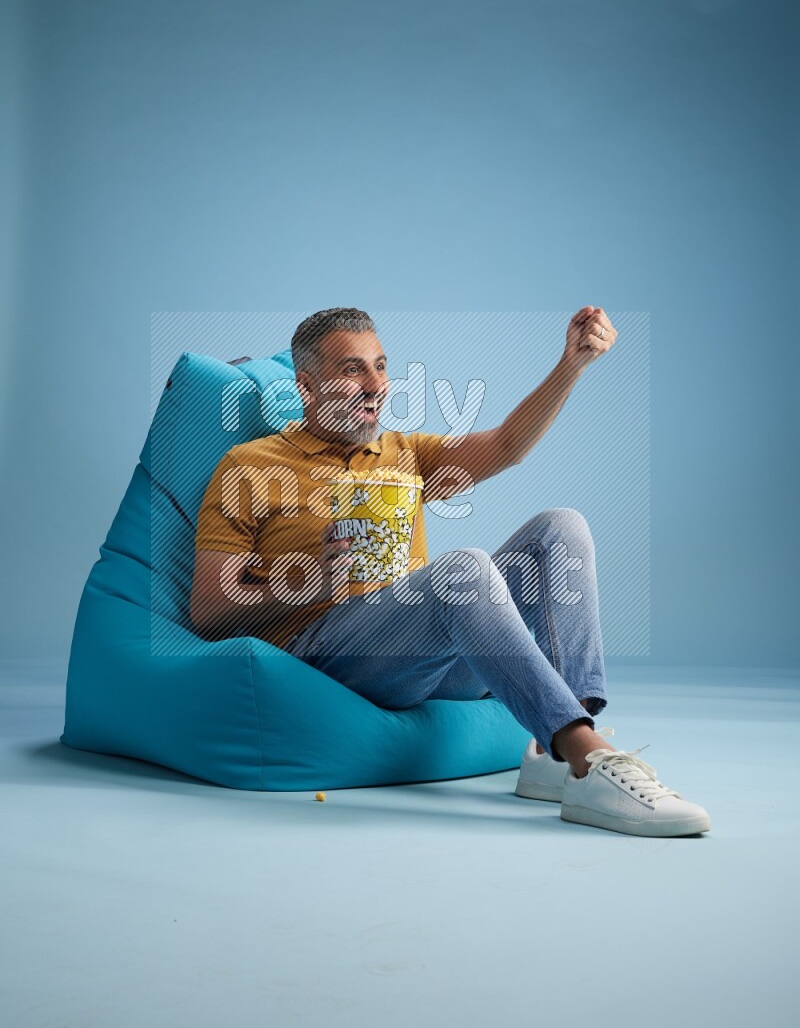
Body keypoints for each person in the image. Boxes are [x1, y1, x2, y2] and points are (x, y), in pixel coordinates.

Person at [190, 307, 710, 837]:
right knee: (461, 569)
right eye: (353, 370)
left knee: (560, 528)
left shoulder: (404, 454)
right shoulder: (248, 465)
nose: (376, 385)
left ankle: (560, 755)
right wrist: (307, 583)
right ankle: (588, 757)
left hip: (424, 656)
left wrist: (570, 365)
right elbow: (208, 612)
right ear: (307, 386)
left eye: (381, 365)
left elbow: (508, 445)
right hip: (330, 660)